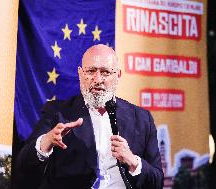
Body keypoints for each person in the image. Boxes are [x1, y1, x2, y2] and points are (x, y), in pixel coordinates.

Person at [16, 44, 164, 189]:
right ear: (80, 74)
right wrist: (46, 141)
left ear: (118, 75)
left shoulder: (142, 119)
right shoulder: (58, 113)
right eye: (91, 71)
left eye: (105, 72)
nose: (98, 79)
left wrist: (133, 162)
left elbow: (157, 182)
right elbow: (22, 164)